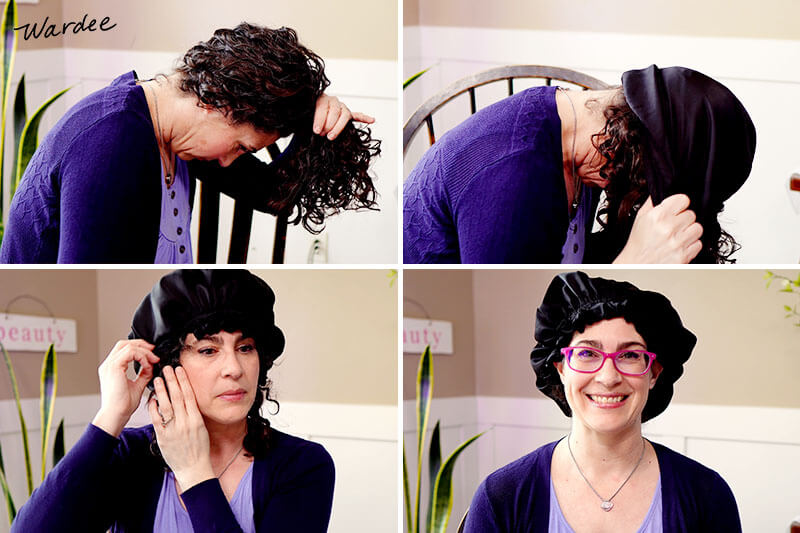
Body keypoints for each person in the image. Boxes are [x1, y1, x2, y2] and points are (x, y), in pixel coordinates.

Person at [0, 23, 381, 263]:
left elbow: (274, 195)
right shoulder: (114, 148)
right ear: (215, 101)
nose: (231, 162)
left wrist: (311, 115)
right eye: (242, 147)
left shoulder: (171, 128)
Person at [11, 269, 334, 532]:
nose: (234, 369)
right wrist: (112, 415)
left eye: (245, 347)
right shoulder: (131, 456)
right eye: (208, 350)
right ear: (168, 366)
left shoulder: (303, 466)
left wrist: (194, 472)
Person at [463, 271, 741, 532]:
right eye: (587, 354)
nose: (608, 377)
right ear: (560, 367)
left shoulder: (707, 495)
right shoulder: (501, 497)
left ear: (654, 373)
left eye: (630, 356)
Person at [403, 65, 756, 264]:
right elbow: (525, 335)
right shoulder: (515, 182)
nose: (635, 198)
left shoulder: (580, 140)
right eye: (646, 186)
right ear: (633, 146)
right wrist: (633, 262)